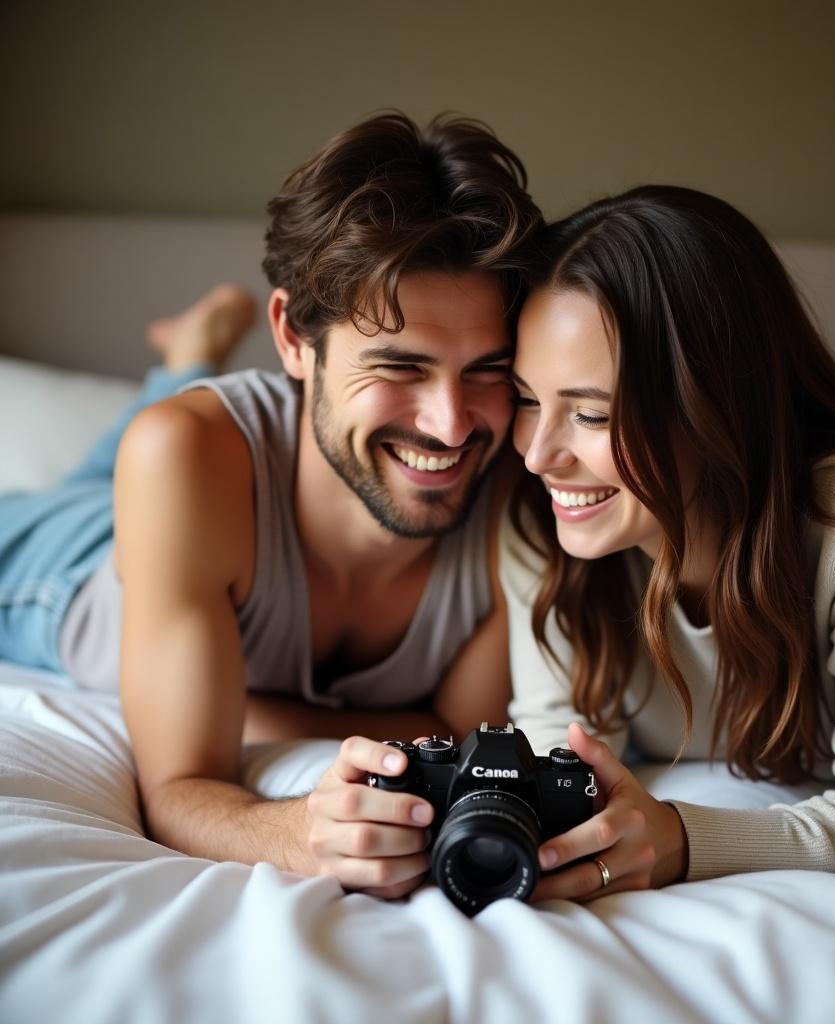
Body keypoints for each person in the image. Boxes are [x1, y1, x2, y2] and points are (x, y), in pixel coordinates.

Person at [0, 112, 542, 900]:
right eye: (400, 365)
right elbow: (183, 788)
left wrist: (243, 705)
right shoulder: (185, 455)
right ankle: (183, 371)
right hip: (61, 575)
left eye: (486, 369)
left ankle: (186, 357)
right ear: (292, 337)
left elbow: (462, 734)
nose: (453, 425)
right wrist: (296, 832)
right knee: (112, 470)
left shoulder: (518, 487)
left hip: (192, 529)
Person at [500, 185, 835, 901]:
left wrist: (684, 838)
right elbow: (556, 733)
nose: (537, 454)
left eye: (591, 413)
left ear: (711, 405)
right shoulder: (545, 519)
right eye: (529, 400)